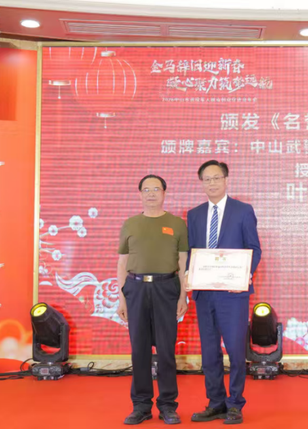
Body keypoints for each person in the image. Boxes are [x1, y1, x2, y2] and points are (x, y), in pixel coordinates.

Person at [185, 160, 262, 425]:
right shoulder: (194, 215)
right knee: (209, 353)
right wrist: (189, 275)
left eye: (216, 178)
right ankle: (215, 402)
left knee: (236, 351)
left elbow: (254, 248)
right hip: (204, 293)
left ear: (226, 180)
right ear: (201, 183)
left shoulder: (243, 210)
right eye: (207, 179)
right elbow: (192, 252)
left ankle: (235, 404)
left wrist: (244, 273)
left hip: (232, 293)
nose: (212, 183)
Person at [116, 174, 189, 425]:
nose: (151, 194)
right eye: (146, 190)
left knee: (166, 350)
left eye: (156, 189)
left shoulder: (177, 224)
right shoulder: (130, 224)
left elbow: (183, 262)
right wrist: (122, 298)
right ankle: (141, 406)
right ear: (140, 194)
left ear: (164, 193)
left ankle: (168, 405)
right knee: (139, 350)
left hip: (167, 288)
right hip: (135, 289)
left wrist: (183, 295)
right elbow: (122, 263)